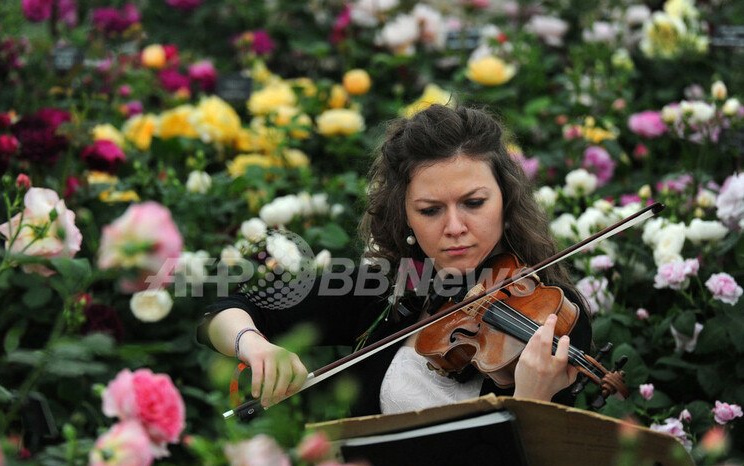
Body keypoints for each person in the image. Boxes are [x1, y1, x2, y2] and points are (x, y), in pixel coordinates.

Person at [201, 104, 591, 417]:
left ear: (506, 202)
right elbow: (225, 310)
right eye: (430, 210)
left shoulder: (553, 313)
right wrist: (253, 344)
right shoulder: (389, 288)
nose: (455, 226)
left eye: (474, 203)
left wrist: (530, 402)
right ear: (404, 215)